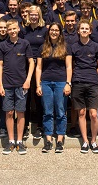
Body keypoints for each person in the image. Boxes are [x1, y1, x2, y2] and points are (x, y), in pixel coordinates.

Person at [0, 19, 35, 155]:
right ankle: (11, 141)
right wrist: (0, 84)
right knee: (9, 112)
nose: (12, 31)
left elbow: (31, 62)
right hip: (6, 85)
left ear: (18, 29)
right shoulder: (2, 46)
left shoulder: (25, 44)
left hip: (21, 85)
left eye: (14, 28)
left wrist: (28, 79)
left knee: (20, 112)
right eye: (9, 29)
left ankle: (19, 141)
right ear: (7, 31)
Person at [67, 19, 98, 154]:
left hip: (93, 82)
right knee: (81, 113)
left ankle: (93, 141)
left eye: (86, 29)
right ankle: (85, 141)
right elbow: (70, 65)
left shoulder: (96, 46)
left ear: (90, 31)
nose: (84, 31)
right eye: (81, 28)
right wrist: (69, 82)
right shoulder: (73, 47)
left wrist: (95, 73)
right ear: (78, 31)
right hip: (78, 82)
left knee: (93, 114)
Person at [36, 23, 72, 153]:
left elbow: (69, 67)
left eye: (57, 30)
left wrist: (68, 83)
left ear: (60, 33)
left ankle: (60, 140)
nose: (54, 32)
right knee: (47, 112)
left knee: (61, 111)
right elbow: (38, 67)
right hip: (45, 82)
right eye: (52, 30)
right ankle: (48, 140)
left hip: (61, 82)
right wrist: (38, 84)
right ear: (49, 32)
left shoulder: (66, 47)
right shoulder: (43, 47)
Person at [21, 5, 48, 139]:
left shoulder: (44, 30)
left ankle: (39, 126)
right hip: (25, 67)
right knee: (25, 98)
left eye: (35, 14)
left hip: (40, 67)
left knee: (38, 97)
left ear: (39, 15)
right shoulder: (23, 30)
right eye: (31, 14)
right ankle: (25, 126)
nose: (33, 16)